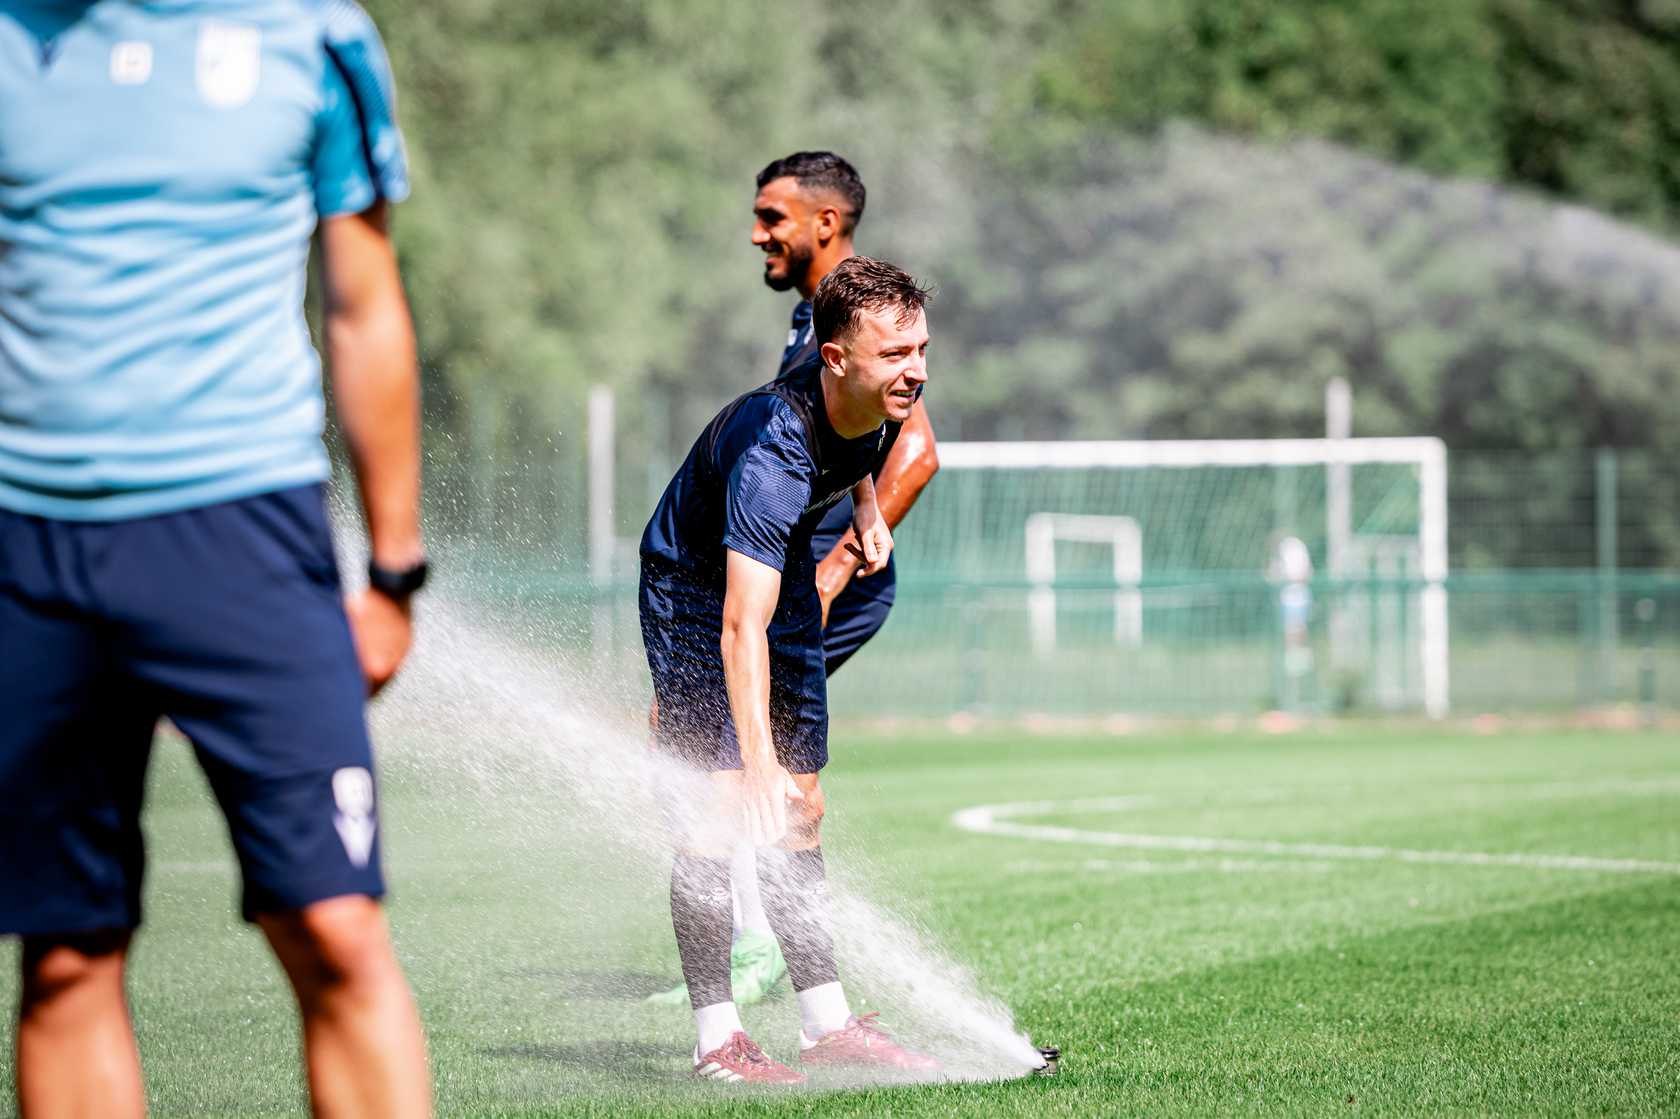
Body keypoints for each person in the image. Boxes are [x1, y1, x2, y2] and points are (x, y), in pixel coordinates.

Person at [0, 3, 431, 1115]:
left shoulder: (314, 34)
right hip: (27, 550)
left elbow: (364, 305)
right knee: (65, 955)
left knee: (334, 929)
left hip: (245, 532)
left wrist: (393, 573)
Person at [650, 150, 941, 1009]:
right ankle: (739, 982)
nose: (757, 233)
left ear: (825, 222)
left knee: (758, 772)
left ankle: (778, 967)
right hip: (733, 578)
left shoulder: (870, 328)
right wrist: (859, 502)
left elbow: (913, 448)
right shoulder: (819, 342)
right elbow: (833, 440)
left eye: (772, 217)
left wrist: (842, 555)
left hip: (802, 580)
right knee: (734, 770)